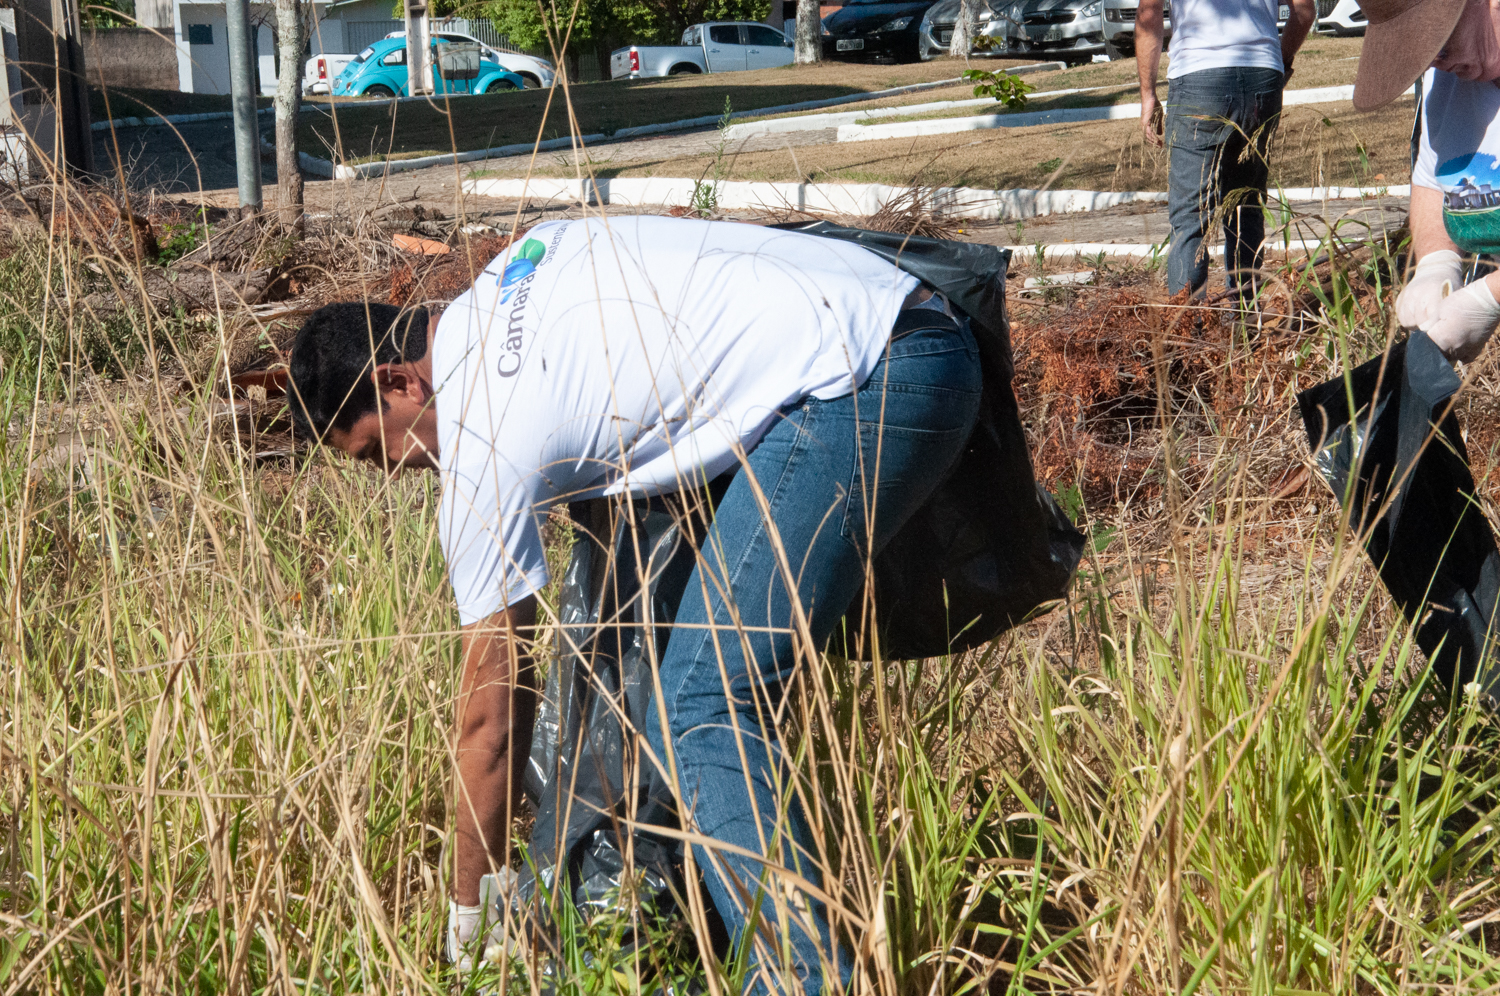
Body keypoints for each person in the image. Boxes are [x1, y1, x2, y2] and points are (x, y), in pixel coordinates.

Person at [285, 215, 985, 993]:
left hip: (871, 377)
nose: (394, 473)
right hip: (910, 320)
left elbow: (491, 717)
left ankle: (805, 979)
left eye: (380, 451)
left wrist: (471, 913)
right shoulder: (524, 261)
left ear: (398, 381)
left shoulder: (480, 445)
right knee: (700, 691)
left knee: (703, 701)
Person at [1136, 0, 1317, 299]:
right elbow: (1304, 9)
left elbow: (1148, 13)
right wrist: (1280, 58)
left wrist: (1147, 94)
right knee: (1246, 207)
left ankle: (1188, 330)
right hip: (1262, 74)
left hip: (1198, 78)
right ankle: (1246, 324)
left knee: (1191, 218)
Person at [1353, 0, 1500, 360]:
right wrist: (1436, 264)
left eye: (1441, 40)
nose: (1436, 59)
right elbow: (1434, 177)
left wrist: (1489, 298)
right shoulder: (1449, 79)